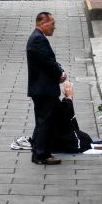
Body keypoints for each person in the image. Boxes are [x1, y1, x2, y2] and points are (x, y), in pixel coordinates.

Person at [26, 12, 66, 165]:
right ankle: (41, 154)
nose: (54, 27)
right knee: (45, 121)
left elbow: (49, 60)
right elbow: (48, 62)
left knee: (43, 120)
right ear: (42, 23)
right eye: (52, 24)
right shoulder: (38, 39)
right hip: (43, 89)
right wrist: (59, 75)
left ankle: (38, 150)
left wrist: (59, 70)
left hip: (42, 88)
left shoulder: (38, 38)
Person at [51, 81, 93, 153]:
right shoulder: (53, 100)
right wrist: (69, 97)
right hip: (58, 138)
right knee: (85, 139)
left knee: (85, 138)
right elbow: (67, 117)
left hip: (54, 135)